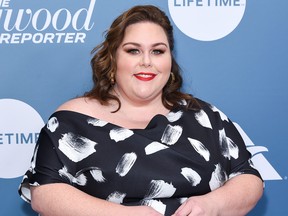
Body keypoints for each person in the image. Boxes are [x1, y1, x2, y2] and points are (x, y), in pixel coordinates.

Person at [18, 4, 263, 216]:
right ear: (113, 60)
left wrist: (211, 205)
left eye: (157, 51)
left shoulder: (204, 117)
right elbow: (44, 193)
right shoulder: (72, 120)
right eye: (133, 50)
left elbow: (249, 179)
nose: (146, 61)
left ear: (170, 61)